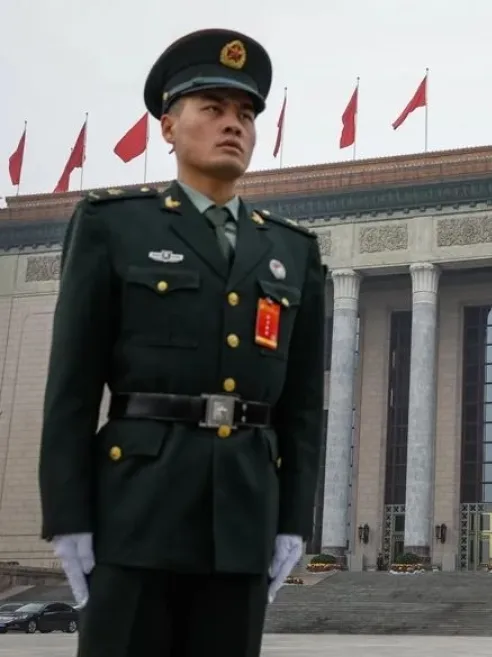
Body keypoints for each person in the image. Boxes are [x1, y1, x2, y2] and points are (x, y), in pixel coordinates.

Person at [37, 28, 325, 657]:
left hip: (242, 517)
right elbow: (71, 389)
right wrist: (67, 515)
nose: (234, 125)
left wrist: (292, 522)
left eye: (246, 114)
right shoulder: (115, 227)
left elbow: (303, 409)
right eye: (213, 108)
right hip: (135, 511)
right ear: (168, 127)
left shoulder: (292, 251)